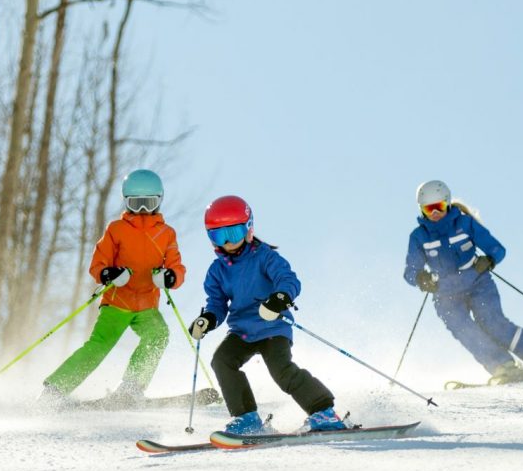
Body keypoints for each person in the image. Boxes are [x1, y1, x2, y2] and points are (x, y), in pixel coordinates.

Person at [188, 194, 344, 435]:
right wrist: (207, 319)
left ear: (249, 229)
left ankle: (323, 411)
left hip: (272, 327)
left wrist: (279, 298)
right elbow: (216, 303)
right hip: (242, 331)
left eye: (234, 233)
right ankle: (246, 418)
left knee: (282, 371)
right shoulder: (217, 271)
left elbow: (288, 279)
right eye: (220, 235)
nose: (229, 242)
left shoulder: (265, 257)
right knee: (222, 360)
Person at [42, 168, 186, 405]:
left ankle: (131, 388)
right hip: (117, 303)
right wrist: (109, 273)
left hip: (147, 305)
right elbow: (98, 264)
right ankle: (55, 390)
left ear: (159, 201)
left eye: (148, 203)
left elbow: (177, 267)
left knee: (158, 335)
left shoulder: (166, 233)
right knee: (99, 346)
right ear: (126, 201)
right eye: (136, 203)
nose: (142, 210)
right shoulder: (116, 229)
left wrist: (170, 276)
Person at [404, 179, 523, 383]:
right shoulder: (419, 236)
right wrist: (421, 278)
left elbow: (497, 249)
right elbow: (410, 270)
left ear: (447, 203)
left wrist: (488, 260)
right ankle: (504, 367)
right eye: (429, 209)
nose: (435, 213)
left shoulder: (464, 224)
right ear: (422, 210)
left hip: (477, 283)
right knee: (464, 330)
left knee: (493, 322)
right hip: (445, 293)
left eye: (439, 207)